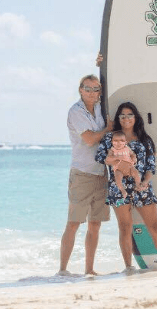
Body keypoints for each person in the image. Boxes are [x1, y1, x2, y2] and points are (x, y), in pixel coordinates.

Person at [95, 102, 157, 271]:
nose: (126, 118)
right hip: (118, 190)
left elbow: (151, 166)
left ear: (136, 117)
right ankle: (128, 267)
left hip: (142, 187)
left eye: (129, 115)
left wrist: (145, 182)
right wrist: (120, 162)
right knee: (125, 227)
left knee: (154, 226)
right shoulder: (110, 138)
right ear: (118, 118)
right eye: (122, 115)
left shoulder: (145, 140)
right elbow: (100, 157)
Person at [58, 74, 113, 276]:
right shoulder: (76, 111)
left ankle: (89, 269)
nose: (91, 92)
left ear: (100, 91)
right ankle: (63, 270)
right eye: (87, 88)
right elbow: (89, 139)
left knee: (95, 224)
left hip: (101, 172)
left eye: (95, 89)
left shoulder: (100, 107)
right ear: (80, 90)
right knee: (73, 223)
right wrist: (107, 129)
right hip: (82, 173)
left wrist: (100, 61)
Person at [107, 130, 141, 202]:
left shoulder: (127, 148)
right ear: (112, 142)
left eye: (121, 140)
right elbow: (108, 159)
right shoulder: (112, 150)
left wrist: (134, 158)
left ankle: (138, 185)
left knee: (136, 172)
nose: (118, 143)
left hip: (129, 167)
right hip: (119, 169)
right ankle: (122, 190)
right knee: (117, 178)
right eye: (115, 140)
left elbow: (132, 154)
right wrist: (115, 158)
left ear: (126, 142)